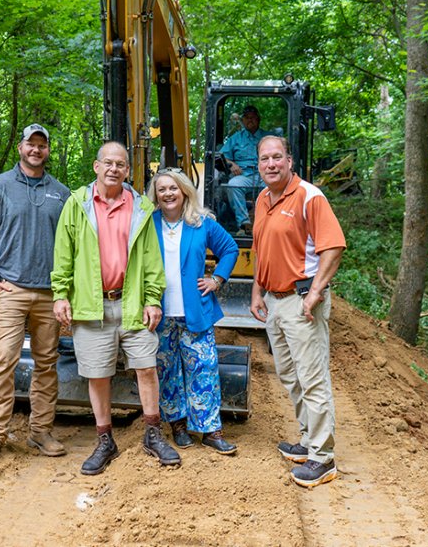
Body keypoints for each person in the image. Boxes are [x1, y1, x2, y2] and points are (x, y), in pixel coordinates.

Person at [51, 141, 182, 475]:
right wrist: (60, 294)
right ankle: (105, 440)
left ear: (128, 170)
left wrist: (153, 298)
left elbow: (152, 258)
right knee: (98, 374)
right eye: (108, 163)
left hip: (133, 301)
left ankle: (153, 434)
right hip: (91, 304)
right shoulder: (76, 204)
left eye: (120, 164)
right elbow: (63, 254)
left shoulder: (141, 206)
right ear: (96, 166)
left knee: (146, 367)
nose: (114, 169)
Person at [248, 135, 346, 488]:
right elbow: (262, 249)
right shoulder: (262, 198)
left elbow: (333, 247)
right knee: (290, 376)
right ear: (258, 165)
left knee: (313, 377)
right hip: (274, 301)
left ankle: (323, 458)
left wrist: (315, 292)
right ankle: (308, 441)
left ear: (290, 160)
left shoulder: (309, 196)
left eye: (277, 157)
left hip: (301, 301)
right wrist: (257, 291)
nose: (270, 164)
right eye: (264, 159)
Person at [0, 123, 71, 461]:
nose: (36, 150)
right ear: (20, 147)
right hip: (9, 291)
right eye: (31, 144)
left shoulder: (62, 193)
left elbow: (72, 245)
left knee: (47, 364)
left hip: (49, 295)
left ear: (47, 150)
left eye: (42, 145)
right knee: (3, 360)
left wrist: (65, 293)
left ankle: (40, 432)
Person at [146, 169, 240, 454]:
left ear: (184, 190)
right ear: (156, 195)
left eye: (173, 188)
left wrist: (217, 279)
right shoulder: (148, 224)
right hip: (160, 313)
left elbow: (230, 249)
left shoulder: (202, 224)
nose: (168, 194)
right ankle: (178, 426)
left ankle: (211, 430)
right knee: (167, 371)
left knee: (204, 368)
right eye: (162, 189)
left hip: (196, 311)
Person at [219, 104, 269, 233]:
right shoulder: (235, 138)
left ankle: (268, 222)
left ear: (258, 119)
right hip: (244, 175)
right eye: (246, 118)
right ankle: (245, 223)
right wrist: (232, 164)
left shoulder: (268, 137)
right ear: (242, 121)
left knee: (275, 186)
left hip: (266, 174)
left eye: (252, 117)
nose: (249, 120)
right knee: (233, 184)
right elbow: (222, 156)